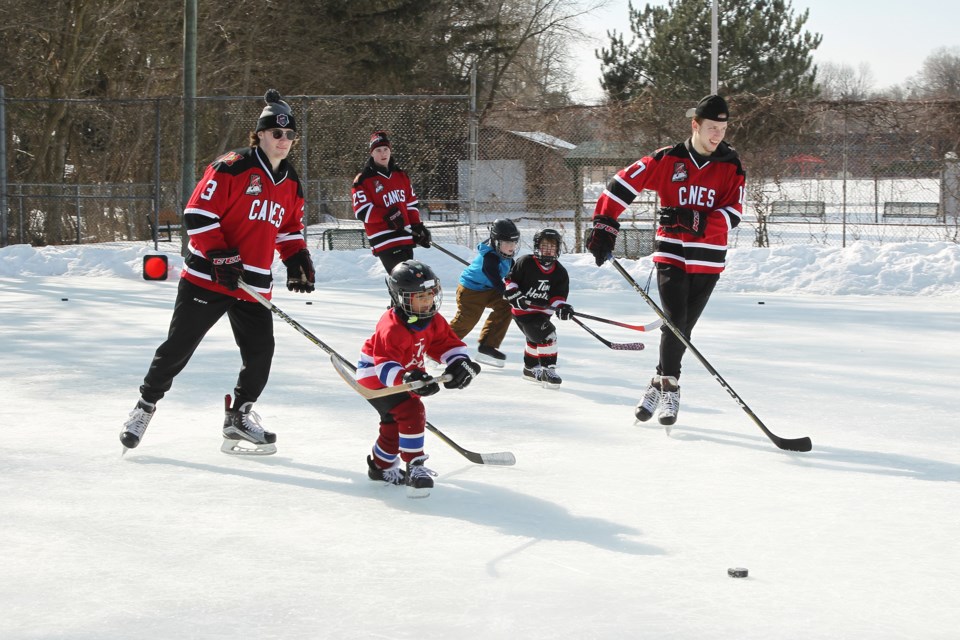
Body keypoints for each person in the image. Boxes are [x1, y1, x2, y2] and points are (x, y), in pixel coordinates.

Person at [119, 89, 315, 455]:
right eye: (277, 133)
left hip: (253, 284)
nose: (283, 141)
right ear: (258, 134)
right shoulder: (232, 166)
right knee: (178, 348)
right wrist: (221, 256)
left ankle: (239, 416)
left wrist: (296, 258)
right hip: (208, 278)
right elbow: (198, 214)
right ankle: (144, 407)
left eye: (290, 135)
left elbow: (288, 230)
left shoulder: (291, 182)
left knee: (260, 355)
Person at [586, 94, 745, 426]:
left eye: (723, 128)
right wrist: (605, 223)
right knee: (674, 320)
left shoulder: (731, 165)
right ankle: (671, 386)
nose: (718, 135)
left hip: (709, 261)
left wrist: (701, 221)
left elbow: (734, 213)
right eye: (712, 128)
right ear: (695, 125)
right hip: (672, 254)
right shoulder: (668, 159)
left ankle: (659, 379)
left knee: (682, 328)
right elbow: (621, 184)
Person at [357, 260, 481, 497]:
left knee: (394, 423)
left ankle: (380, 467)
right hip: (376, 377)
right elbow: (385, 365)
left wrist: (460, 363)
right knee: (412, 410)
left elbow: (446, 343)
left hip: (406, 373)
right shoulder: (391, 326)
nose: (427, 301)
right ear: (401, 297)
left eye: (430, 294)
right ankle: (415, 467)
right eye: (419, 296)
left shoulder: (432, 319)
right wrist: (408, 378)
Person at [352, 130, 431, 273]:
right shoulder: (363, 179)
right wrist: (387, 216)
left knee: (412, 282)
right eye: (378, 150)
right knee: (405, 281)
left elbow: (411, 205)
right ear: (372, 153)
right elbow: (362, 211)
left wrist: (417, 226)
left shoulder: (401, 175)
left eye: (385, 149)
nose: (383, 153)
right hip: (384, 240)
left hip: (405, 236)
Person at [502, 228, 572, 389]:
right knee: (548, 335)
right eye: (544, 245)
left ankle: (530, 369)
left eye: (552, 246)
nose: (548, 249)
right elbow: (511, 280)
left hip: (542, 314)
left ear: (557, 249)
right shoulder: (525, 262)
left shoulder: (560, 272)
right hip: (523, 313)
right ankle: (549, 369)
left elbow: (557, 298)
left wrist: (562, 308)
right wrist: (513, 293)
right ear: (537, 247)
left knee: (535, 339)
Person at [448, 218, 520, 368]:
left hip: (488, 289)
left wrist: (517, 292)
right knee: (467, 320)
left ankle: (488, 346)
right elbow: (492, 275)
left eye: (514, 243)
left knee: (507, 306)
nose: (511, 247)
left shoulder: (506, 255)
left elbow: (510, 275)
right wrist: (505, 291)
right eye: (507, 243)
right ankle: (439, 346)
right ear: (496, 242)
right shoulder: (490, 257)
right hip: (471, 291)